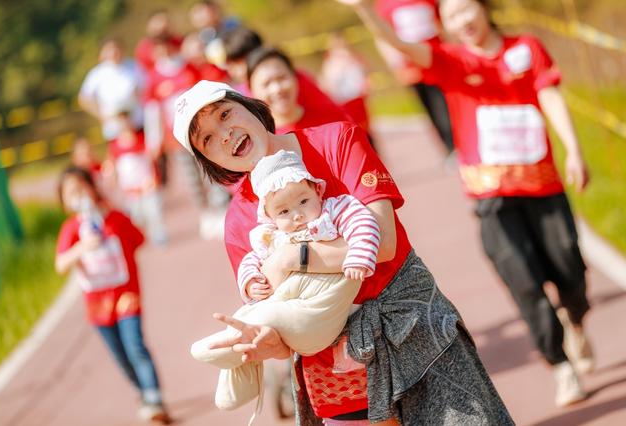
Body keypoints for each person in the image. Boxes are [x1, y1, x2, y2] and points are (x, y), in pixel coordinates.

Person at [173, 80, 513, 425]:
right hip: (334, 370)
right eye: (207, 139)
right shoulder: (239, 220)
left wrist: (294, 258)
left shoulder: (336, 140)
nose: (225, 135)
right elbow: (281, 317)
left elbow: (383, 244)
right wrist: (265, 345)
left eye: (225, 114)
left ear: (250, 106)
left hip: (414, 330)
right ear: (208, 161)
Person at [338, 0, 594, 408]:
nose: (463, 21)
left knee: (569, 268)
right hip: (490, 195)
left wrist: (574, 150)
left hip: (543, 186)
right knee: (523, 281)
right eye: (452, 16)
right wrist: (366, 10)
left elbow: (549, 96)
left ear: (484, 9)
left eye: (467, 10)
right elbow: (400, 44)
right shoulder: (450, 61)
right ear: (446, 25)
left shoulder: (525, 48)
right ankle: (560, 364)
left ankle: (576, 317)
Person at [190, 149, 379, 415]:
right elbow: (250, 261)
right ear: (269, 215)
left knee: (266, 314)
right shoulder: (269, 236)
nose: (297, 215)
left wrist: (358, 257)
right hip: (293, 311)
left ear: (317, 190)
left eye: (303, 201)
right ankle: (238, 373)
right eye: (284, 211)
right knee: (252, 311)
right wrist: (251, 282)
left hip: (321, 309)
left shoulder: (335, 209)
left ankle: (232, 342)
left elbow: (364, 224)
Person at [54, 166, 170, 423]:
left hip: (127, 296)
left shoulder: (115, 217)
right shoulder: (71, 229)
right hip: (97, 307)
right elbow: (61, 264)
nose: (78, 195)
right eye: (70, 192)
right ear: (63, 201)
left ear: (92, 188)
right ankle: (142, 391)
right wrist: (81, 248)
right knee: (121, 356)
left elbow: (138, 239)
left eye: (81, 187)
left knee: (136, 346)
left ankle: (154, 399)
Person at [374, 0, 455, 156]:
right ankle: (449, 147)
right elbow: (382, 35)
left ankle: (458, 142)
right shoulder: (385, 4)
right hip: (411, 68)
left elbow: (443, 22)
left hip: (436, 61)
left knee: (446, 103)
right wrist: (394, 63)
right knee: (430, 108)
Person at [246, 47, 351, 135]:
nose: (277, 89)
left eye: (282, 78)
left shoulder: (333, 119)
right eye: (266, 84)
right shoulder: (259, 140)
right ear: (252, 90)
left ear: (296, 78)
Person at [107, 112, 168, 245]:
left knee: (153, 212)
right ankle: (141, 238)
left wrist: (154, 178)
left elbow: (152, 159)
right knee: (137, 216)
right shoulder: (114, 147)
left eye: (126, 121)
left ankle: (159, 236)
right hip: (130, 189)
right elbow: (113, 166)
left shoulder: (141, 139)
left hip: (147, 185)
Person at [78, 38, 144, 142]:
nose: (114, 53)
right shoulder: (98, 73)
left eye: (116, 49)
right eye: (110, 50)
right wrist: (103, 116)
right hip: (114, 130)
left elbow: (146, 89)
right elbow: (84, 98)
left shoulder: (134, 66)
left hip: (138, 124)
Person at [319, 32, 373, 137]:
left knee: (365, 130)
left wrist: (367, 84)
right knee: (352, 129)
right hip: (342, 102)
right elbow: (326, 82)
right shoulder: (329, 63)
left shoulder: (353, 58)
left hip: (357, 99)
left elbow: (365, 74)